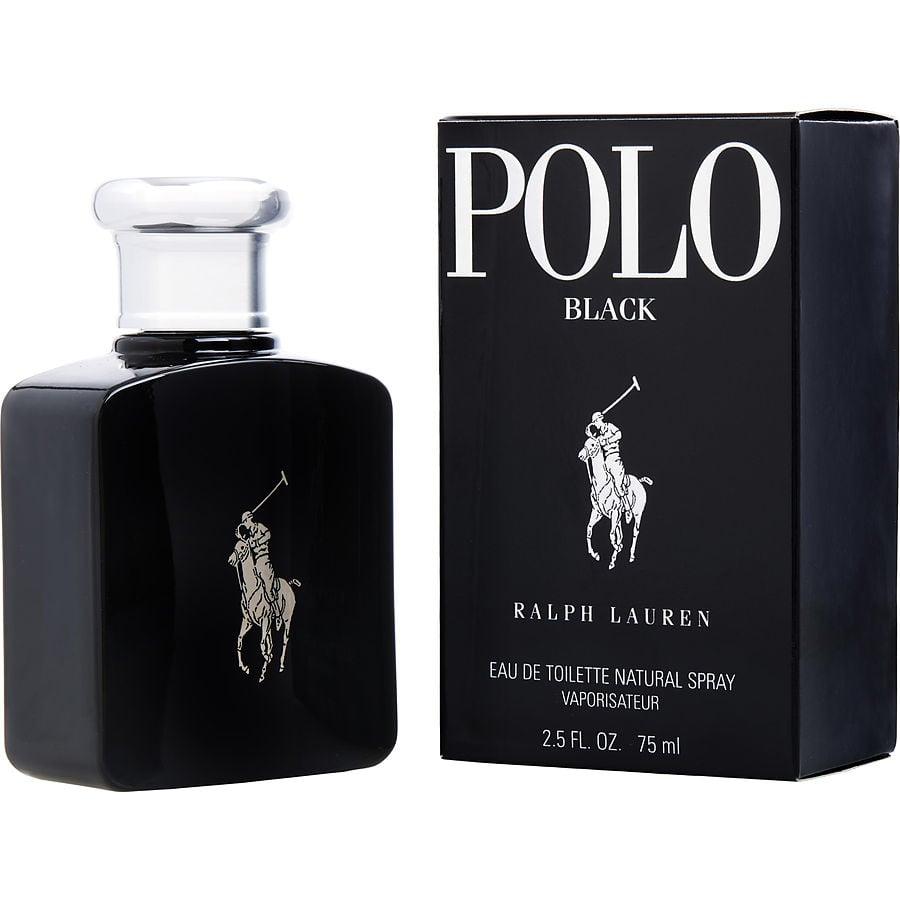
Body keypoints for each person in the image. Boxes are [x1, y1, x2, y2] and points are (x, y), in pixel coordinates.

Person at [590, 412, 632, 515]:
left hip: (615, 459)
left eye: (595, 422)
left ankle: (627, 508)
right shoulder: (599, 436)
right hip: (606, 461)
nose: (595, 424)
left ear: (600, 419)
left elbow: (619, 434)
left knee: (618, 485)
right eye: (594, 423)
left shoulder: (610, 427)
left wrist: (607, 441)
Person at [240, 510, 280, 615]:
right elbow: (247, 545)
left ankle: (276, 611)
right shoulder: (249, 535)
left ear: (249, 519)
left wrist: (257, 542)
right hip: (256, 562)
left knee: (267, 586)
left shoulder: (259, 527)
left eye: (244, 522)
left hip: (264, 560)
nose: (245, 525)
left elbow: (268, 535)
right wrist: (240, 536)